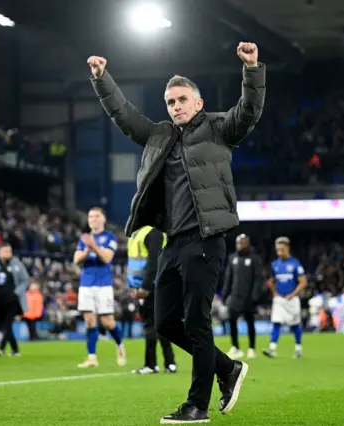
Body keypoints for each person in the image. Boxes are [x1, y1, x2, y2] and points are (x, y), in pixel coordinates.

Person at [88, 41, 265, 423]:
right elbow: (124, 115)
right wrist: (102, 79)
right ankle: (227, 369)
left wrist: (251, 70)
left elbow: (249, 112)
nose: (176, 106)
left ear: (198, 103)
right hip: (172, 244)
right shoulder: (158, 136)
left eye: (182, 99)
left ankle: (197, 405)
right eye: (170, 102)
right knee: (165, 322)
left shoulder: (218, 129)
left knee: (197, 323)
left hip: (206, 240)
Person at [74, 207, 125, 368]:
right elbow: (76, 260)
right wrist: (88, 247)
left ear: (103, 219)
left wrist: (93, 246)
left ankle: (119, 345)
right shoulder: (84, 239)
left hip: (103, 284)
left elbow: (107, 258)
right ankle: (91, 357)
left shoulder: (110, 237)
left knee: (108, 322)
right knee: (89, 321)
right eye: (90, 216)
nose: (93, 219)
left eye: (96, 216)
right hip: (86, 284)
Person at [127, 225, 177, 375]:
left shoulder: (151, 233)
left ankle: (152, 364)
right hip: (143, 286)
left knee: (153, 324)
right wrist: (133, 287)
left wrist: (145, 287)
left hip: (153, 286)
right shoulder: (137, 234)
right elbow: (133, 264)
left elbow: (154, 261)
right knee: (156, 324)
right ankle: (169, 363)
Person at [263, 237, 308, 359]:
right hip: (279, 300)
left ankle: (298, 349)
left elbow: (303, 282)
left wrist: (292, 294)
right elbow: (271, 281)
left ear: (287, 248)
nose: (279, 252)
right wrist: (274, 292)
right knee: (276, 323)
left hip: (292, 300)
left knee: (295, 325)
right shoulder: (275, 264)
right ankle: (272, 349)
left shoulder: (295, 264)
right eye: (277, 250)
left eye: (281, 249)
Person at [222, 234, 263, 360]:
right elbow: (228, 277)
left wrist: (255, 296)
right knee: (232, 321)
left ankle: (251, 348)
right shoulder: (232, 258)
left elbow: (258, 278)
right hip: (234, 297)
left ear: (248, 243)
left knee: (250, 322)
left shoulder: (254, 259)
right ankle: (235, 348)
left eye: (243, 243)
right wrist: (225, 293)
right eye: (238, 243)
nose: (240, 245)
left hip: (248, 297)